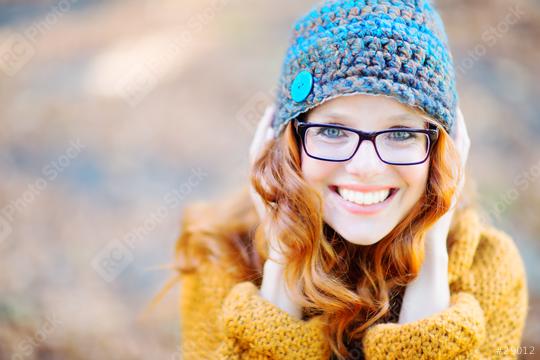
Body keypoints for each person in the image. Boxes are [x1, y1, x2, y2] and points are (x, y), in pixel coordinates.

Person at [169, 1, 529, 359]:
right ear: (287, 140)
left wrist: (431, 260)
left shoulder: (488, 270)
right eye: (331, 130)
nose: (366, 166)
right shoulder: (221, 255)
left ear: (441, 148)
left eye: (401, 134)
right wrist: (280, 263)